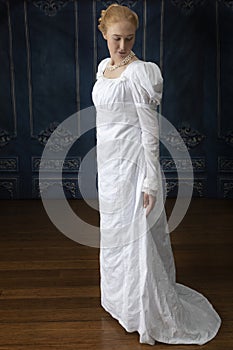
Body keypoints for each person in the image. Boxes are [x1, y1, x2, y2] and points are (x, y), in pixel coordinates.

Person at [92, 3, 221, 346]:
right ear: (104, 34)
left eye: (129, 39)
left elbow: (150, 133)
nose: (122, 46)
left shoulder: (140, 73)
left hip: (134, 166)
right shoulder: (103, 68)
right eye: (116, 38)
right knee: (115, 233)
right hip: (109, 168)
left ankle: (143, 308)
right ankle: (120, 301)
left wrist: (150, 181)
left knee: (138, 238)